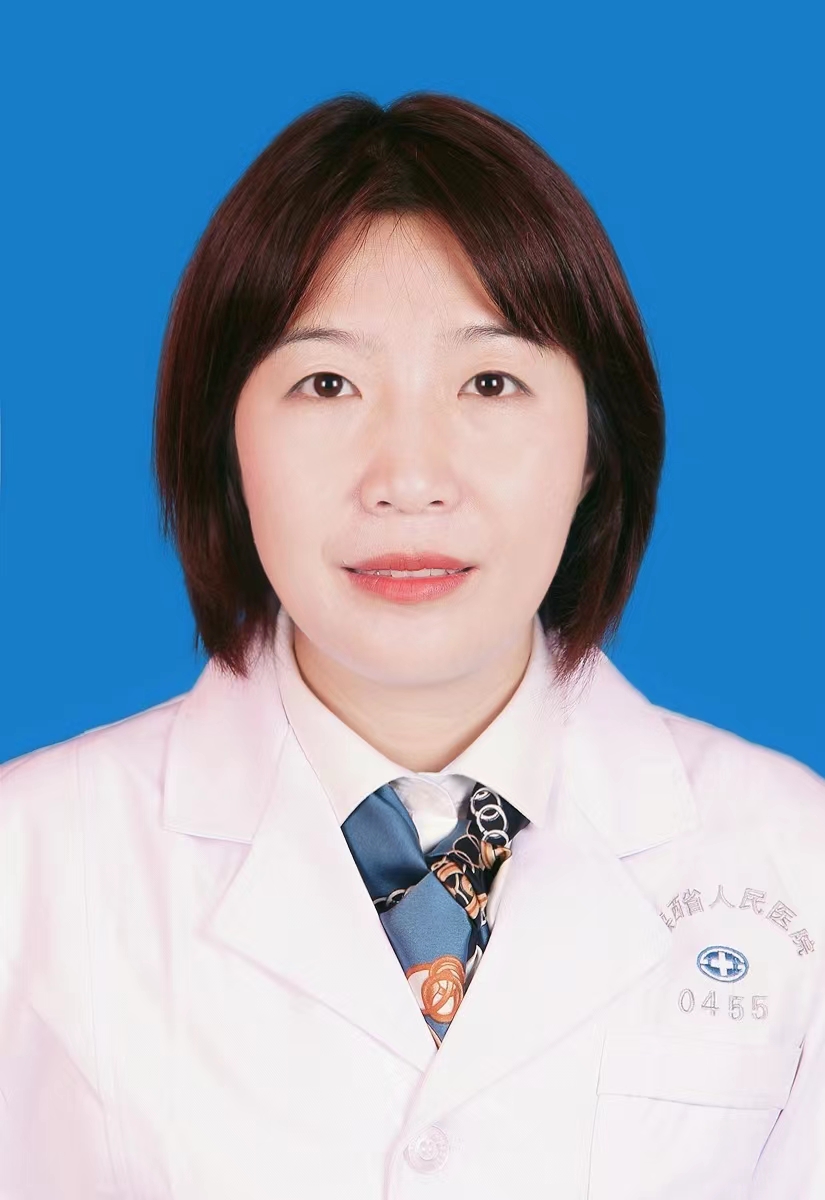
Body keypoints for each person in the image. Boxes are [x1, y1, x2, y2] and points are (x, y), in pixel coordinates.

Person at [1, 90, 823, 1200]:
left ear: (594, 445)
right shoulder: (30, 864)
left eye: (490, 382)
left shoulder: (794, 859)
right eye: (326, 383)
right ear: (223, 438)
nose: (409, 479)